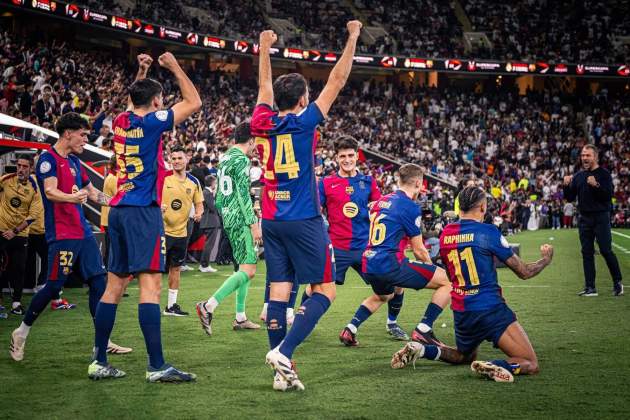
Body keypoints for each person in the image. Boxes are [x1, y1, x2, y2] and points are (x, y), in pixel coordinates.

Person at [252, 22, 362, 391]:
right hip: (303, 219)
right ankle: (285, 350)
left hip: (271, 218)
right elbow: (339, 79)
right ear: (302, 100)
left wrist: (264, 48)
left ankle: (279, 374)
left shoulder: (260, 121)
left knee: (279, 294)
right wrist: (352, 37)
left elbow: (263, 88)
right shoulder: (305, 121)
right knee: (324, 291)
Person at [92, 52, 201, 382]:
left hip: (120, 210)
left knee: (113, 287)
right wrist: (174, 67)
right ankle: (156, 366)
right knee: (151, 286)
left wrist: (143, 71)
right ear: (156, 101)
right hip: (143, 212)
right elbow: (193, 101)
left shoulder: (122, 122)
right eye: (160, 100)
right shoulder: (152, 122)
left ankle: (98, 361)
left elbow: (131, 100)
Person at [390, 186, 554, 383]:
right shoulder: (487, 232)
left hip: (462, 310)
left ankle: (422, 349)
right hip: (490, 309)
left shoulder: (446, 235)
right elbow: (524, 272)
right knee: (530, 363)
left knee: (464, 356)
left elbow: (451, 275)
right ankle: (498, 365)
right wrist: (546, 259)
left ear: (459, 207)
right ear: (483, 207)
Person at [9, 113, 131, 364]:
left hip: (83, 233)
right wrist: (72, 198)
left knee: (99, 282)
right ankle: (21, 332)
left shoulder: (74, 162)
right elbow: (51, 191)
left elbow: (93, 192)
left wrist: (120, 202)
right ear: (68, 133)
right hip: (62, 234)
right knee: (54, 286)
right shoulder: (47, 159)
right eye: (83, 134)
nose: (86, 139)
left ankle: (101, 343)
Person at [339, 164, 452, 348]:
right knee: (447, 281)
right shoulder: (409, 206)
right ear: (417, 182)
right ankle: (424, 329)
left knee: (384, 296)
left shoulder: (380, 202)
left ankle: (350, 329)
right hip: (389, 263)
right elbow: (419, 250)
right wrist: (432, 268)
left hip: (369, 262)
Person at [320, 136, 408, 340]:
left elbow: (380, 210)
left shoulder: (368, 182)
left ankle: (392, 323)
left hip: (365, 248)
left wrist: (373, 208)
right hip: (337, 247)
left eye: (350, 155)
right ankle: (299, 318)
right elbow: (317, 212)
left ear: (357, 156)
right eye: (342, 156)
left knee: (390, 289)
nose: (347, 159)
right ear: (336, 158)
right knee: (317, 287)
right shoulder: (326, 183)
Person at [196, 121, 262, 332]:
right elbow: (243, 194)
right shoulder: (242, 160)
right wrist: (253, 223)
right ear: (251, 141)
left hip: (229, 216)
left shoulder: (225, 159)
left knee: (243, 268)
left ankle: (240, 318)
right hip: (241, 219)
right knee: (249, 270)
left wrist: (226, 215)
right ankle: (208, 306)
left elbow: (221, 195)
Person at [563, 145, 623, 297]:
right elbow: (570, 198)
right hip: (584, 218)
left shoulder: (604, 174)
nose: (584, 158)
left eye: (588, 155)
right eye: (583, 155)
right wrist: (566, 185)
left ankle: (618, 283)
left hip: (601, 217)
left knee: (605, 250)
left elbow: (607, 196)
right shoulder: (579, 176)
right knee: (586, 252)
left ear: (595, 157)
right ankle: (590, 287)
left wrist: (595, 185)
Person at [25, 170, 76, 309]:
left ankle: (51, 294)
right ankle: (51, 295)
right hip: (40, 229)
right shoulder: (37, 182)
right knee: (52, 264)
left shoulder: (38, 181)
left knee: (51, 264)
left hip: (37, 229)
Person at [161, 146, 203, 316]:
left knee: (176, 268)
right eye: (173, 158)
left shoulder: (193, 182)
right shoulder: (162, 178)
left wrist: (199, 213)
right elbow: (150, 195)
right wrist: (157, 206)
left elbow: (199, 203)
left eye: (179, 158)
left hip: (181, 233)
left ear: (187, 160)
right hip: (160, 231)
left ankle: (171, 306)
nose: (176, 161)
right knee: (152, 270)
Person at [0, 155, 43, 315]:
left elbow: (33, 215)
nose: (21, 169)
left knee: (18, 268)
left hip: (20, 234)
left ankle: (16, 303)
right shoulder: (6, 179)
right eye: (19, 165)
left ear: (31, 168)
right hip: (1, 230)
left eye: (25, 166)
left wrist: (15, 231)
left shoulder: (34, 187)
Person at [198, 175, 220, 273]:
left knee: (209, 244)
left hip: (209, 222)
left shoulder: (206, 192)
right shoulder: (207, 193)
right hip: (209, 222)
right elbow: (213, 207)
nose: (215, 184)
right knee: (209, 244)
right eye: (215, 182)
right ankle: (204, 265)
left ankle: (204, 264)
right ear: (211, 183)